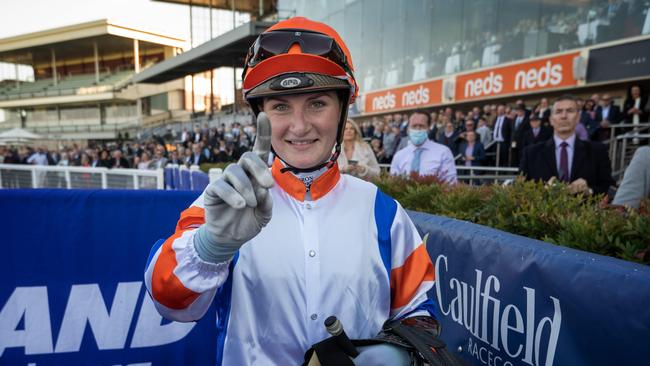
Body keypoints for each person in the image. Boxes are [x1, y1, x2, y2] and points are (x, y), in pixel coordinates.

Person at [144, 17, 441, 366]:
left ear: (342, 110)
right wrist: (210, 246)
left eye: (317, 103)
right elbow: (170, 304)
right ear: (261, 115)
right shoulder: (227, 201)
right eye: (281, 106)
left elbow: (420, 311)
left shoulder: (384, 212)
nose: (300, 127)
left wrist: (394, 352)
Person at [520, 95, 615, 195]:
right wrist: (543, 191)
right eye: (558, 111)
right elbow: (520, 189)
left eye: (569, 111)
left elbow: (610, 188)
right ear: (551, 120)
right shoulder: (531, 153)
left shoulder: (597, 151)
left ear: (578, 118)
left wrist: (589, 191)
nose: (564, 116)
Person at [390, 110, 457, 183]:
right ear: (408, 128)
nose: (418, 129)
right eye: (414, 126)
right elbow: (394, 184)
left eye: (421, 126)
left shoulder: (443, 152)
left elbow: (451, 183)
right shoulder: (399, 156)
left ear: (428, 128)